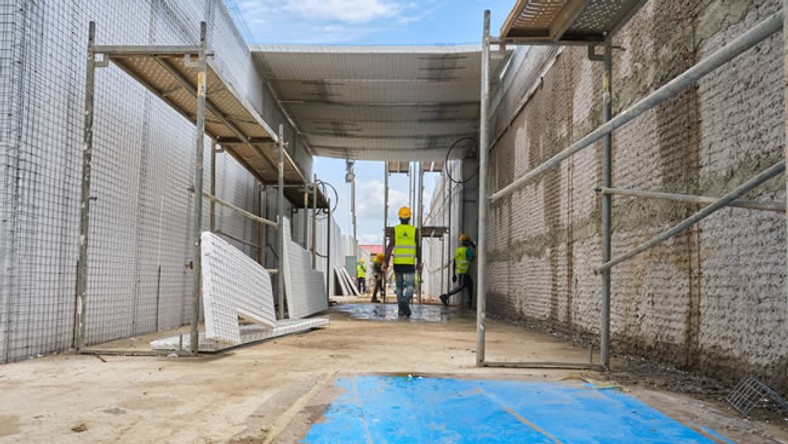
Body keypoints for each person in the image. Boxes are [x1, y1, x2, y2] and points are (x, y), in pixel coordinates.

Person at [383, 206, 421, 317]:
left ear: (399, 217)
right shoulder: (414, 230)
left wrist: (385, 261)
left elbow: (390, 246)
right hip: (409, 262)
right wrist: (418, 261)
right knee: (410, 286)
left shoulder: (395, 229)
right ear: (409, 217)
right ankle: (405, 300)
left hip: (398, 262)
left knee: (399, 287)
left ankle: (400, 309)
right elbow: (418, 247)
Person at [440, 233, 476, 309]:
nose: (469, 242)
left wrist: (453, 274)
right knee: (462, 287)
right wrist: (474, 247)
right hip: (465, 272)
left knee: (470, 285)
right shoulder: (467, 250)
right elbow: (473, 259)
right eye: (468, 241)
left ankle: (470, 301)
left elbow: (454, 262)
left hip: (460, 272)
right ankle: (446, 296)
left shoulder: (458, 250)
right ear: (466, 242)